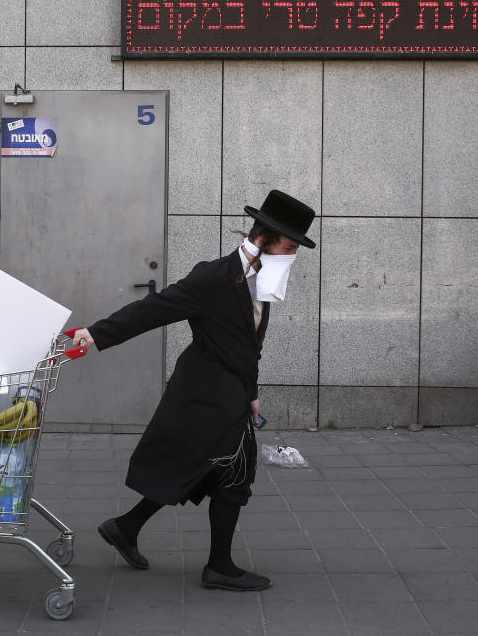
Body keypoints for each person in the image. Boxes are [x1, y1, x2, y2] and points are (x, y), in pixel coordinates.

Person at [72, 190, 316, 591]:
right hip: (205, 395)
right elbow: (154, 309)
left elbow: (246, 347)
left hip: (229, 394)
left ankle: (126, 527)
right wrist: (94, 335)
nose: (291, 256)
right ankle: (218, 567)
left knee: (204, 469)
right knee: (234, 472)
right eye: (289, 247)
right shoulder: (213, 278)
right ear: (262, 240)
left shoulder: (261, 282)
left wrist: (251, 392)